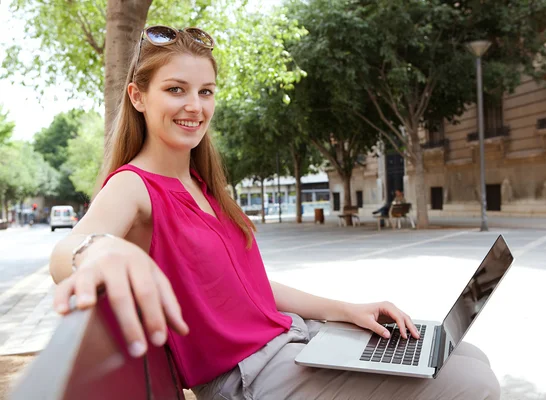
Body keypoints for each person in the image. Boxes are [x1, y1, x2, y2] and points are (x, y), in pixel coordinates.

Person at [48, 25, 500, 399]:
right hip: (251, 378)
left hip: (293, 343)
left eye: (206, 91)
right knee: (470, 383)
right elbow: (66, 251)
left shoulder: (204, 185)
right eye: (175, 90)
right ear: (138, 96)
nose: (195, 106)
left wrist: (345, 309)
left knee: (466, 355)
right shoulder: (134, 185)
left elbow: (250, 286)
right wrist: (100, 252)